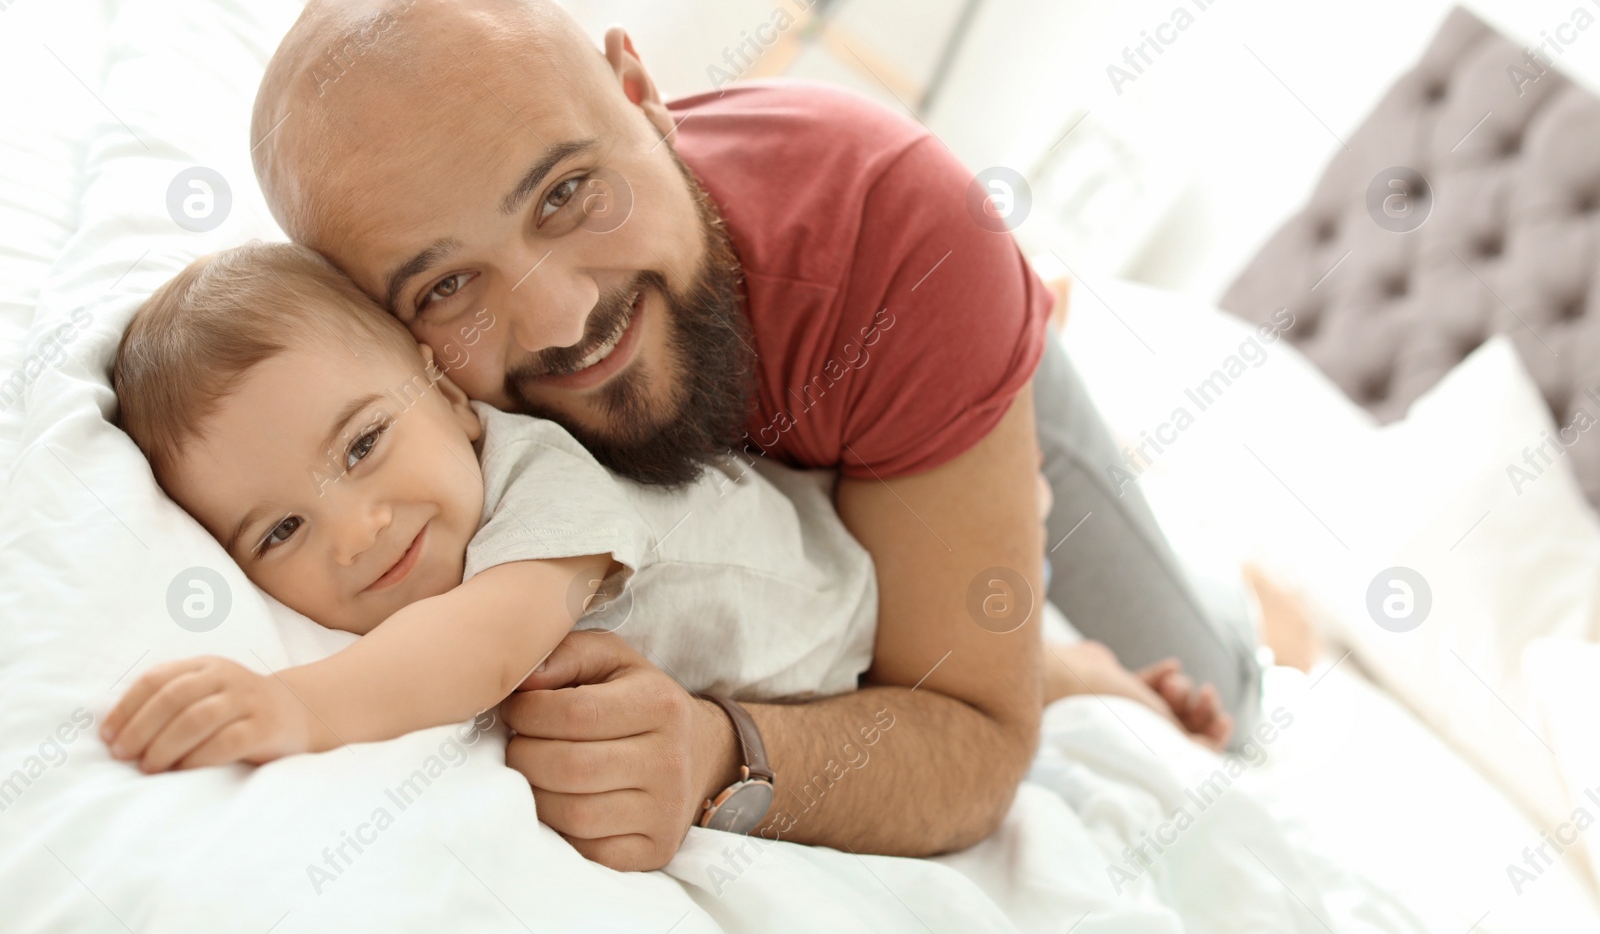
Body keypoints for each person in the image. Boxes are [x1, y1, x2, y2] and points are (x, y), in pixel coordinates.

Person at [247, 0, 1257, 870]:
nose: (559, 317)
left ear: (642, 97)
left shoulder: (899, 241)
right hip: (829, 489)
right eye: (446, 285)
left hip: (949, 348)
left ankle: (1239, 609)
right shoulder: (390, 363)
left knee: (1227, 698)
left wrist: (719, 749)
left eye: (564, 193)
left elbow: (977, 739)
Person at [99, 243, 1216, 816]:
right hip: (802, 663)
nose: (358, 526)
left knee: (1025, 670)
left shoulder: (538, 484)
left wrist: (295, 703)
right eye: (281, 529)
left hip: (858, 604)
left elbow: (490, 641)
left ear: (446, 397)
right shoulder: (432, 510)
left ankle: (1126, 684)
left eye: (361, 445)